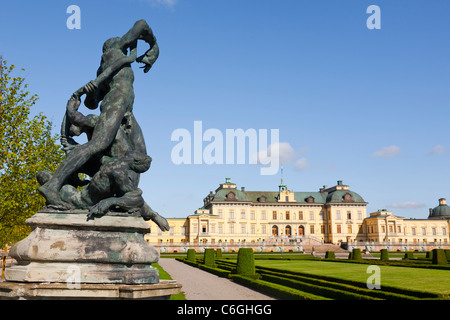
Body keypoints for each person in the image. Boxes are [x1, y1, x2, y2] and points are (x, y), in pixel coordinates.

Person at [39, 20, 159, 209]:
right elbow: (142, 25)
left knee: (139, 152)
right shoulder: (115, 51)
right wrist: (154, 46)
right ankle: (52, 186)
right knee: (98, 144)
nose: (126, 42)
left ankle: (123, 197)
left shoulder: (107, 66)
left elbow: (92, 103)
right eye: (122, 42)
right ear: (112, 46)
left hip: (125, 109)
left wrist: (93, 87)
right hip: (117, 102)